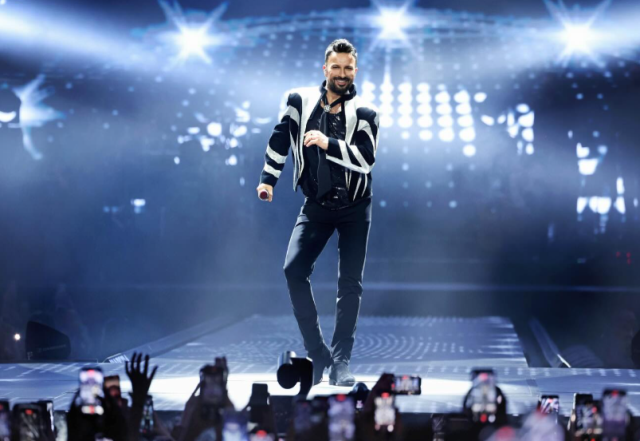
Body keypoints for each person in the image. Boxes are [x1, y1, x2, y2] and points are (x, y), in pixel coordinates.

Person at [256, 39, 379, 387]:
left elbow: (366, 159)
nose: (342, 73)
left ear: (355, 71)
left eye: (348, 68)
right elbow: (280, 138)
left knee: (350, 284)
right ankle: (318, 352)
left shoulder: (366, 112)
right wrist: (268, 180)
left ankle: (341, 362)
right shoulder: (299, 100)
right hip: (316, 204)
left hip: (356, 205)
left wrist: (327, 143)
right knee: (293, 270)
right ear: (325, 68)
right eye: (336, 67)